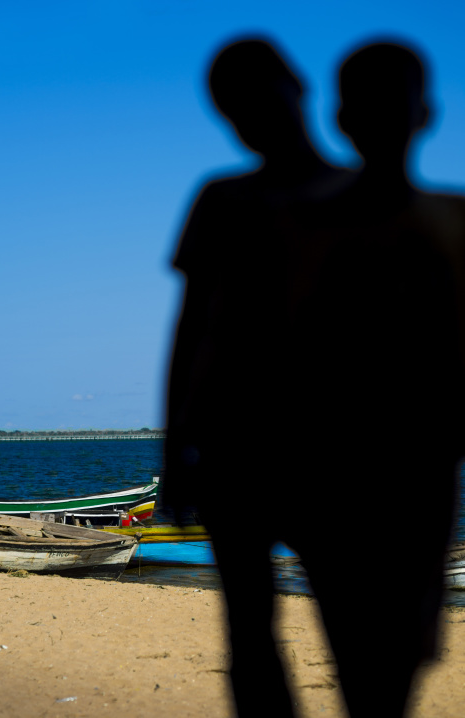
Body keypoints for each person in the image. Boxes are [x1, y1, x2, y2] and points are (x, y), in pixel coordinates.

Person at [162, 38, 350, 718]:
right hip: (230, 448)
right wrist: (174, 453)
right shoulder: (220, 200)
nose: (247, 121)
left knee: (353, 626)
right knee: (250, 634)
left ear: (296, 86)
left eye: (253, 100)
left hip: (336, 449)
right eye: (232, 110)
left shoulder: (363, 199)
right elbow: (188, 333)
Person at [277, 41, 465, 718]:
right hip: (339, 477)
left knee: (391, 663)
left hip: (413, 478)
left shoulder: (449, 220)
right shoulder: (306, 226)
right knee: (370, 664)